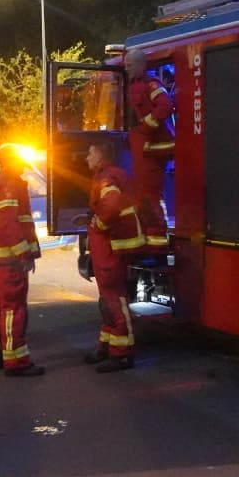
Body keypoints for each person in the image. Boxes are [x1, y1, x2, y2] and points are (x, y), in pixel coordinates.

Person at [0, 143, 43, 377]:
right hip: (7, 260)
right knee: (13, 309)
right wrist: (24, 255)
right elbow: (10, 225)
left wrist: (32, 250)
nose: (23, 169)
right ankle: (16, 361)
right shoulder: (8, 184)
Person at [83, 140, 143, 372]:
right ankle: (107, 346)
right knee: (107, 301)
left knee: (114, 300)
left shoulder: (107, 177)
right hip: (107, 248)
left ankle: (122, 353)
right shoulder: (108, 175)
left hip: (110, 249)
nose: (86, 158)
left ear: (100, 156)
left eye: (90, 153)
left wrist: (96, 224)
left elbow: (111, 206)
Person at [125, 48, 173, 253]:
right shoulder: (136, 85)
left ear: (141, 65)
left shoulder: (151, 84)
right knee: (142, 194)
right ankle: (148, 237)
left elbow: (165, 106)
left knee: (149, 195)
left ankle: (157, 242)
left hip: (154, 148)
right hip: (145, 149)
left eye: (129, 65)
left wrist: (146, 127)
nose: (127, 69)